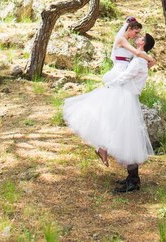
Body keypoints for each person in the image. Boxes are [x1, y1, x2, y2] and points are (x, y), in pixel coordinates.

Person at [63, 32, 156, 193]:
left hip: (126, 98)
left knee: (126, 137)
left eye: (141, 38)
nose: (138, 37)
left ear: (143, 43)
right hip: (127, 97)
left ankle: (133, 180)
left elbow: (126, 76)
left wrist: (110, 84)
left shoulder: (140, 60)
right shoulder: (142, 58)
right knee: (120, 132)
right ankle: (130, 176)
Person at [103, 17, 154, 87]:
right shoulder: (121, 40)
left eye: (138, 33)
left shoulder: (128, 42)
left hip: (126, 70)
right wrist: (150, 59)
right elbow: (137, 53)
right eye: (136, 32)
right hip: (119, 70)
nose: (137, 35)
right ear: (129, 29)